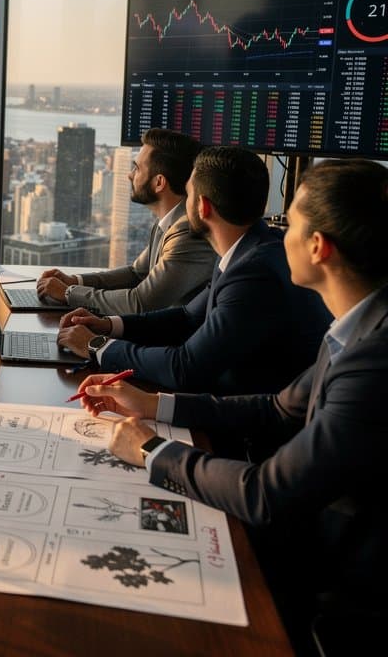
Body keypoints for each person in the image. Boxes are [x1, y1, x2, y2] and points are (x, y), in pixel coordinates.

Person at [76, 158, 388, 652]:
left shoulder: (373, 362)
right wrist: (154, 405)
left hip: (339, 584)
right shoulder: (356, 329)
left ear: (318, 246)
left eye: (291, 221)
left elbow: (267, 494)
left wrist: (152, 451)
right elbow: (278, 408)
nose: (278, 231)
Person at [57, 146, 330, 394]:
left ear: (202, 206)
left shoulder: (254, 273)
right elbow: (188, 317)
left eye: (188, 194)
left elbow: (185, 368)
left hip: (246, 422)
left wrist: (98, 346)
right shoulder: (247, 248)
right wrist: (110, 325)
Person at [37, 128, 215, 313]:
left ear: (159, 183)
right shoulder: (169, 221)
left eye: (137, 168)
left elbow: (140, 302)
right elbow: (136, 274)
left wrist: (69, 293)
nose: (130, 175)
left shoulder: (187, 232)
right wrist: (75, 281)